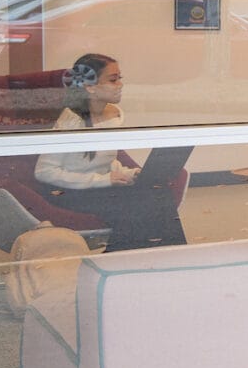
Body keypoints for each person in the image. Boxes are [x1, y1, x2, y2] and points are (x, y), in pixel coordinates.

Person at [33, 53, 187, 250]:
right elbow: (44, 172)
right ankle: (130, 260)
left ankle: (166, 256)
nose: (120, 84)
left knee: (157, 191)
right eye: (113, 80)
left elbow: (105, 162)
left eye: (120, 78)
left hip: (98, 188)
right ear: (90, 87)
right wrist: (104, 180)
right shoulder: (70, 121)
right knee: (136, 203)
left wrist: (128, 174)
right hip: (69, 192)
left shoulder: (114, 115)